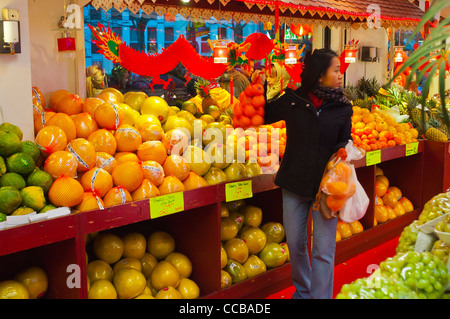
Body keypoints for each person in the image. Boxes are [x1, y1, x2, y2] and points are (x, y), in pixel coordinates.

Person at [264, 49, 353, 299]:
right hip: (294, 182)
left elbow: (343, 139)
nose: (340, 74)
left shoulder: (342, 107)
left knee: (323, 249)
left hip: (326, 189)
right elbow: (264, 113)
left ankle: (321, 297)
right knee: (295, 243)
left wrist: (342, 151)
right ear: (319, 75)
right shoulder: (293, 100)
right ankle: (303, 292)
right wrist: (259, 85)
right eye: (335, 69)